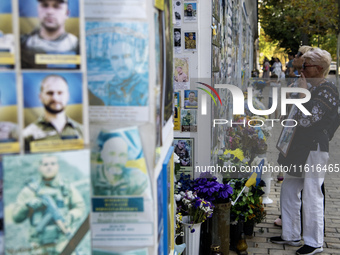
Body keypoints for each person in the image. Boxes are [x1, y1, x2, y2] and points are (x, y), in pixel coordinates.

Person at [270, 48, 339, 255]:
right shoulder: (305, 84)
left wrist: (300, 95)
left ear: (319, 69)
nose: (301, 69)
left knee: (312, 193)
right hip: (297, 147)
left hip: (314, 147)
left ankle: (314, 242)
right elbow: (287, 114)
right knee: (289, 189)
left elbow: (309, 119)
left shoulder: (328, 90)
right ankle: (290, 234)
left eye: (305, 66)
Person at [12, 155, 86, 254]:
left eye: (52, 163)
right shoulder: (29, 191)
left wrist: (70, 216)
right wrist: (27, 205)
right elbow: (16, 218)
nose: (49, 167)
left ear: (58, 166)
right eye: (45, 164)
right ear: (39, 167)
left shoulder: (66, 187)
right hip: (39, 244)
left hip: (62, 241)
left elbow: (80, 207)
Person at [23, 74, 83, 151]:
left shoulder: (82, 131)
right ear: (40, 97)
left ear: (67, 96)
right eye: (50, 93)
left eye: (60, 93)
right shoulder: (27, 134)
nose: (55, 98)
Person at [20, 0, 79, 69]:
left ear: (67, 14)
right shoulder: (23, 43)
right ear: (38, 10)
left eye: (56, 6)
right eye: (45, 5)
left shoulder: (77, 45)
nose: (49, 12)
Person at [105, 41, 148, 106]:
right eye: (115, 58)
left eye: (126, 56)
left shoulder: (147, 89)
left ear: (134, 59)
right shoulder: (105, 89)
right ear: (110, 62)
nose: (121, 64)